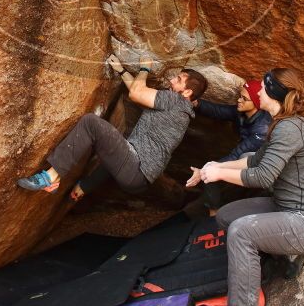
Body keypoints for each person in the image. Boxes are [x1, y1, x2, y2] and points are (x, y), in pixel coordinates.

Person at [199, 68, 304, 306]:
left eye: (262, 87)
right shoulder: (282, 124)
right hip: (284, 207)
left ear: (273, 94)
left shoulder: (289, 128)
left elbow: (263, 176)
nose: (257, 91)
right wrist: (214, 166)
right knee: (227, 216)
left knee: (241, 232)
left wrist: (220, 174)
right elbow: (253, 159)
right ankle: (274, 258)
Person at [17, 54, 208, 201]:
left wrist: (145, 68)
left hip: (136, 168)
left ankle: (51, 177)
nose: (173, 80)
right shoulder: (181, 110)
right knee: (115, 145)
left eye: (179, 79)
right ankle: (85, 186)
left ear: (187, 92)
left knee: (91, 123)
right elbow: (139, 92)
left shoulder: (175, 101)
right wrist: (121, 71)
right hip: (137, 178)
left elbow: (136, 93)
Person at [186, 79, 272, 215]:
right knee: (212, 171)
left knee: (211, 173)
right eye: (240, 96)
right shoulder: (243, 112)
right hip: (244, 160)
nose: (239, 100)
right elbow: (219, 111)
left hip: (259, 167)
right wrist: (196, 103)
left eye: (244, 98)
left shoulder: (262, 129)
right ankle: (214, 211)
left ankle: (214, 216)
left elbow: (237, 155)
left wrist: (205, 170)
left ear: (256, 102)